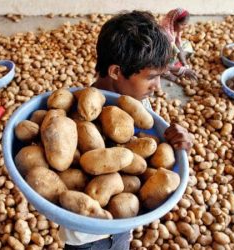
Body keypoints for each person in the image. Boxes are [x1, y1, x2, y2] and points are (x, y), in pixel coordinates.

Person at [60, 10, 193, 250]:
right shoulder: (73, 116)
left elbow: (152, 158)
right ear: (115, 72)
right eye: (151, 77)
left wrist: (176, 143)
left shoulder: (137, 104)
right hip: (86, 240)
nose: (158, 87)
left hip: (123, 226)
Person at [161, 8, 197, 82]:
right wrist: (183, 70)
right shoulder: (164, 34)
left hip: (170, 51)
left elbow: (178, 44)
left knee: (187, 45)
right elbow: (158, 59)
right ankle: (165, 73)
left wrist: (185, 64)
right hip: (160, 59)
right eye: (183, 24)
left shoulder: (175, 29)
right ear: (174, 21)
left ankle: (174, 64)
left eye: (186, 24)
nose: (185, 27)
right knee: (172, 52)